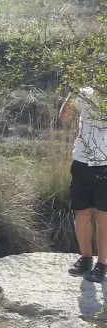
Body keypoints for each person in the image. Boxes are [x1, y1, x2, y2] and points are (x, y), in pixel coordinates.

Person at [61, 85, 107, 283]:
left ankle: (102, 264)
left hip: (105, 163)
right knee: (81, 212)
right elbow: (64, 117)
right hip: (81, 161)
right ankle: (86, 258)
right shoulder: (83, 92)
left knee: (104, 215)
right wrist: (73, 90)